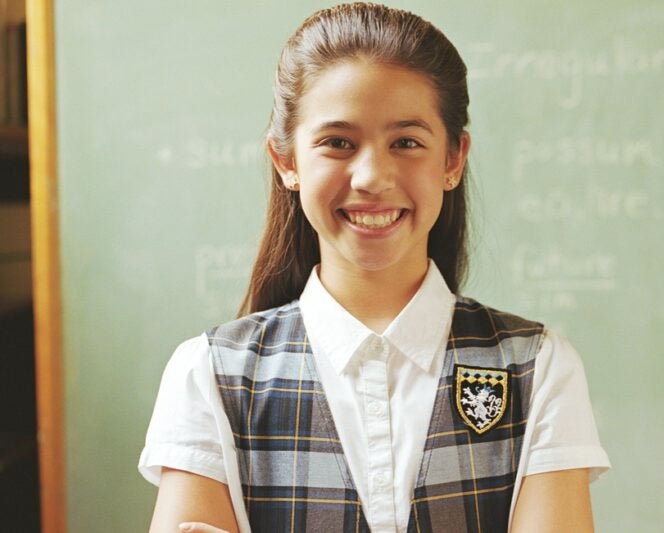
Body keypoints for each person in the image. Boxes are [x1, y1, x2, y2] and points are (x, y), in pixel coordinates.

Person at [139, 3, 609, 532]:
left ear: (453, 159)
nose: (372, 176)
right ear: (287, 162)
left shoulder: (538, 369)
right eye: (338, 143)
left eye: (406, 142)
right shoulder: (210, 376)